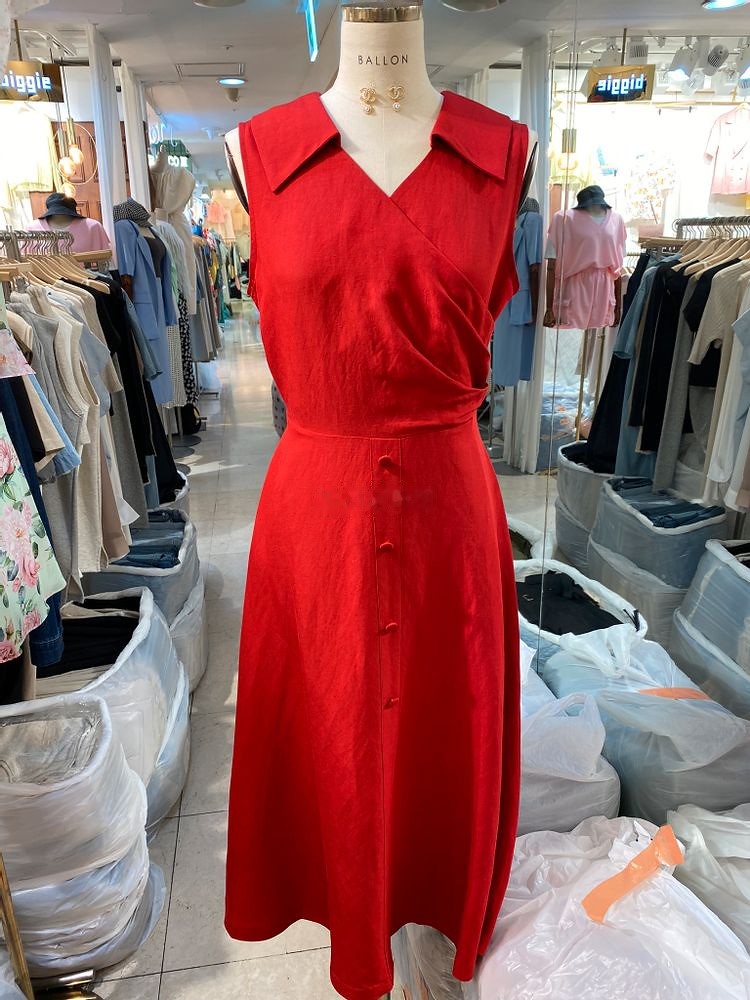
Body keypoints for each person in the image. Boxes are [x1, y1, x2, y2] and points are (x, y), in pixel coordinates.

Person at [28, 193, 111, 254]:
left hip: (84, 273)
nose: (60, 215)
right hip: (42, 273)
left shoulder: (93, 227)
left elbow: (107, 261)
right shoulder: (32, 229)